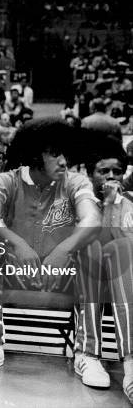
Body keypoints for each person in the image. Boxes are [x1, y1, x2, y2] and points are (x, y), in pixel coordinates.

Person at [0, 118, 104, 387]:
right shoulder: (7, 180)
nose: (64, 161)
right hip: (15, 272)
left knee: (92, 246)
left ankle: (88, 354)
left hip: (62, 273)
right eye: (55, 154)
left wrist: (65, 248)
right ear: (34, 153)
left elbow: (92, 219)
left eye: (66, 154)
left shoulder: (75, 182)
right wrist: (17, 243)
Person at [84, 135, 133, 403]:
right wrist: (108, 205)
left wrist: (116, 204)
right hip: (88, 274)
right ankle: (90, 355)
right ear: (91, 174)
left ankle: (130, 365)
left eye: (117, 171)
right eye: (103, 171)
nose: (111, 177)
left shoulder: (130, 202)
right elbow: (100, 246)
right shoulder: (82, 201)